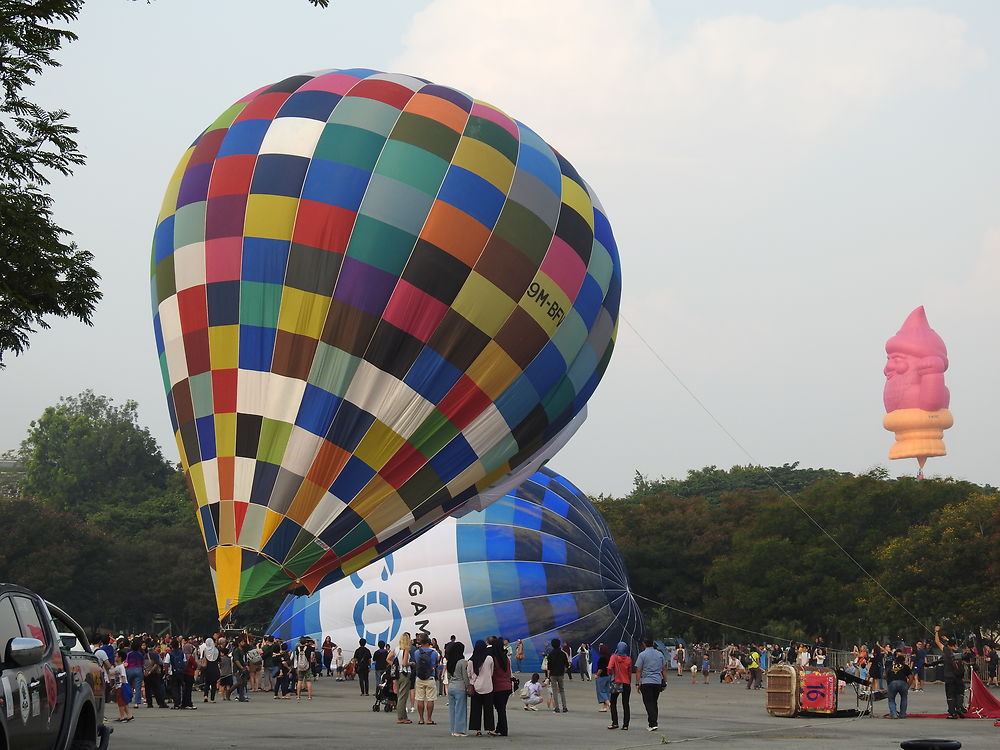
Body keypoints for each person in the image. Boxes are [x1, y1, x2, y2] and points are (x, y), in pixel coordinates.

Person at [635, 638, 666, 732]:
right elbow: (663, 669)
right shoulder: (660, 654)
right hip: (657, 681)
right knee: (654, 702)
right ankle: (654, 722)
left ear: (644, 644)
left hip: (646, 681)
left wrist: (637, 683)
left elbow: (638, 670)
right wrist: (665, 681)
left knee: (648, 703)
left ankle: (652, 723)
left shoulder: (642, 655)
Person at [934, 626, 966, 718]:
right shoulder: (959, 651)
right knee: (959, 693)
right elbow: (953, 645)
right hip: (959, 677)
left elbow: (937, 642)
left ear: (948, 645)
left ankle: (952, 713)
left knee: (950, 695)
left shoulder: (947, 651)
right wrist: (948, 640)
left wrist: (936, 631)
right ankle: (959, 708)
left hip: (949, 677)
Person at [467, 640, 495, 736]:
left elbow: (469, 674)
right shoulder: (489, 658)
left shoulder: (471, 660)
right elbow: (491, 672)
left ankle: (477, 729)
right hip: (488, 687)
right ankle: (490, 729)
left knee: (475, 709)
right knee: (488, 709)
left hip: (476, 687)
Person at [413, 634, 440, 725]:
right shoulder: (434, 653)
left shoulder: (417, 652)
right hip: (430, 677)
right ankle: (429, 719)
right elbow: (436, 663)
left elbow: (416, 663)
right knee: (430, 699)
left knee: (420, 699)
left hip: (419, 677)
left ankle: (421, 719)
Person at [490, 639, 513, 736]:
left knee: (500, 710)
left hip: (498, 687)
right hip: (507, 686)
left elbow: (491, 673)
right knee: (501, 709)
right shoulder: (506, 658)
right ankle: (499, 729)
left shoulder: (494, 659)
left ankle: (503, 730)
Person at [607, 641, 632, 730]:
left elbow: (609, 668)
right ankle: (625, 725)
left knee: (613, 702)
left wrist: (610, 674)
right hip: (626, 683)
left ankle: (615, 723)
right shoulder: (628, 659)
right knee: (626, 703)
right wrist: (629, 681)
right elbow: (629, 672)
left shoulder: (614, 657)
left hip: (616, 682)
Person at [446, 642, 469, 736]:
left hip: (451, 686)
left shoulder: (449, 662)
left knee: (452, 710)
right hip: (460, 688)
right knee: (461, 709)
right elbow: (465, 676)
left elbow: (448, 676)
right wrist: (468, 686)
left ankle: (453, 729)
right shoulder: (462, 662)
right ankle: (459, 730)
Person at [885, 650, 911, 719]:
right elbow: (911, 677)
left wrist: (888, 685)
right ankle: (902, 714)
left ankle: (893, 714)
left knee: (891, 699)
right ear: (903, 661)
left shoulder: (891, 666)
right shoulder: (905, 666)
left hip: (892, 683)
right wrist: (908, 686)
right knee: (904, 698)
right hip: (902, 682)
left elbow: (886, 676)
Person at [546, 637, 569, 712]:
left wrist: (548, 677)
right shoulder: (563, 654)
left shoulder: (550, 654)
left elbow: (548, 667)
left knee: (554, 691)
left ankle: (557, 708)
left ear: (552, 645)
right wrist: (564, 670)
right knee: (562, 690)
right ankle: (564, 707)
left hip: (553, 674)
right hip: (560, 674)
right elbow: (567, 664)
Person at [395, 632, 413, 724]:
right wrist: (411, 663)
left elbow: (388, 658)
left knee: (400, 695)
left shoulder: (396, 649)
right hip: (405, 673)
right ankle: (401, 717)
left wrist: (395, 665)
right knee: (403, 696)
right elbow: (405, 663)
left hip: (398, 673)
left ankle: (403, 716)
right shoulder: (406, 649)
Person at [200, 637, 221, 703]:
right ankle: (212, 699)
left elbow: (203, 658)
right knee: (213, 684)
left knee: (206, 683)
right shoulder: (216, 650)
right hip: (214, 668)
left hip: (207, 668)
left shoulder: (205, 650)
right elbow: (219, 660)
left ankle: (205, 696)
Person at [294, 637, 315, 701]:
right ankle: (309, 696)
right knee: (308, 681)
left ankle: (298, 696)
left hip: (300, 666)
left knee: (299, 681)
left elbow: (296, 657)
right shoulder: (308, 648)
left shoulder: (297, 648)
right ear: (306, 642)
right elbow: (316, 648)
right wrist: (315, 641)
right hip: (307, 666)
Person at [594, 644, 612, 711]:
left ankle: (609, 703)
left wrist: (597, 675)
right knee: (607, 691)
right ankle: (604, 707)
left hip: (602, 676)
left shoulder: (602, 659)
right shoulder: (609, 657)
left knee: (601, 691)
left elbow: (600, 669)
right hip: (608, 676)